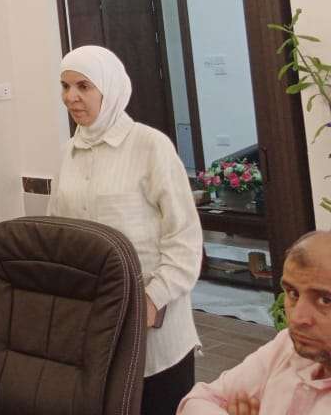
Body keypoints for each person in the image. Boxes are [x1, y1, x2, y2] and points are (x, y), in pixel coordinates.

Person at [50, 45, 203, 415]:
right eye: (65, 86)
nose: (71, 97)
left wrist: (151, 299)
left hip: (154, 323)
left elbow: (184, 238)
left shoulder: (150, 146)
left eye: (83, 86)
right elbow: (58, 233)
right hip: (94, 321)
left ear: (110, 88)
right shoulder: (68, 152)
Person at [178, 231, 331, 415]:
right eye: (293, 293)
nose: (297, 318)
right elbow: (198, 401)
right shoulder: (286, 346)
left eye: (326, 300)